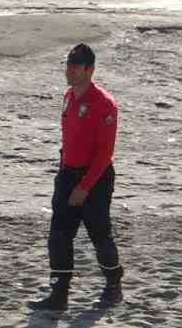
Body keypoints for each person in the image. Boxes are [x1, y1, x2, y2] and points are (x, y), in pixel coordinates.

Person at [30, 43, 123, 311]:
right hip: (67, 174)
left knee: (99, 234)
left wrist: (84, 186)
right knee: (58, 235)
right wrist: (64, 173)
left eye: (76, 66)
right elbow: (68, 139)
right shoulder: (69, 96)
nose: (69, 71)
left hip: (95, 179)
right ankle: (59, 294)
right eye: (68, 65)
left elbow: (104, 154)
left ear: (89, 69)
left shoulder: (104, 104)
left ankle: (114, 284)